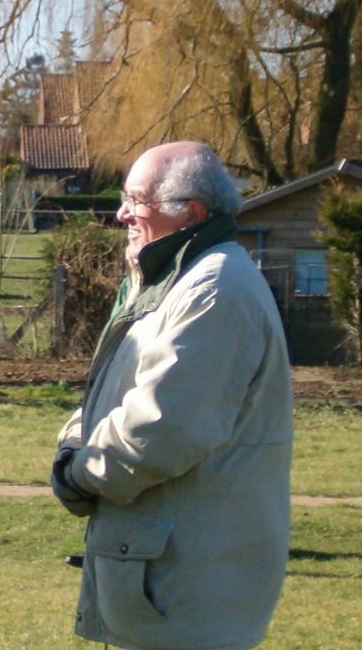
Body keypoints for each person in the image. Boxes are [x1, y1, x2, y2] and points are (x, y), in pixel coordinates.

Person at [51, 141, 293, 650]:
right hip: (172, 578)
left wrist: (78, 471)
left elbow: (160, 429)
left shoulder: (212, 290)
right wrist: (76, 440)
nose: (122, 214)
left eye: (136, 201)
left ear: (192, 214)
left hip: (187, 586)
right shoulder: (181, 281)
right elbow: (113, 395)